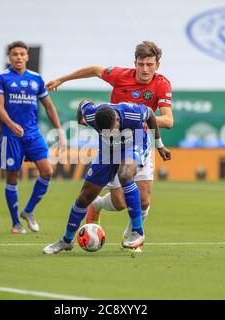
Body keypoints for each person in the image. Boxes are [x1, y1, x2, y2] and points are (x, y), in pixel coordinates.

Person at [46, 41, 173, 238]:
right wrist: (62, 79)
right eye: (141, 64)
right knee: (120, 203)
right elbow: (96, 70)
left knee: (144, 200)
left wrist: (144, 121)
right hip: (113, 140)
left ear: (158, 65)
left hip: (139, 139)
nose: (145, 69)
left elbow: (168, 120)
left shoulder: (162, 84)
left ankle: (133, 235)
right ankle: (96, 205)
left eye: (150, 65)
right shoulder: (121, 75)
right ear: (135, 63)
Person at [43, 101, 171, 254]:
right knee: (85, 197)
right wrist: (79, 119)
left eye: (111, 129)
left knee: (125, 175)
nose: (109, 133)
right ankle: (66, 241)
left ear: (117, 120)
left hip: (134, 145)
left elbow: (150, 113)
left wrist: (159, 144)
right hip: (108, 152)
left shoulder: (133, 113)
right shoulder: (91, 113)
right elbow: (82, 104)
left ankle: (137, 231)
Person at [0, 41, 66, 234]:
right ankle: (15, 223)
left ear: (27, 57)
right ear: (9, 57)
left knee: (47, 171)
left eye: (22, 54)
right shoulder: (1, 78)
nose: (18, 57)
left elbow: (49, 106)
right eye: (14, 54)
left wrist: (59, 131)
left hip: (32, 134)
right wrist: (11, 124)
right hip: (11, 135)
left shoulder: (36, 79)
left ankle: (29, 211)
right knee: (12, 177)